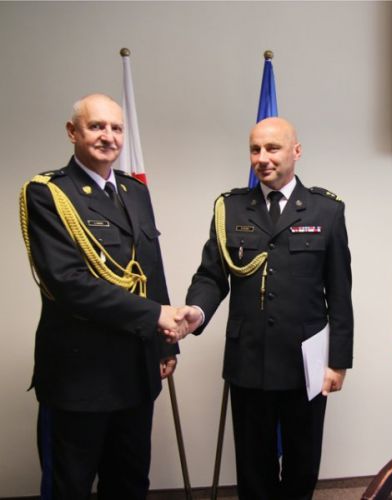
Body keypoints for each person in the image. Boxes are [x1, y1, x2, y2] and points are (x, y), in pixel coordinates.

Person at [169, 117, 353, 500]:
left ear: (296, 151)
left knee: (303, 463)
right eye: (255, 149)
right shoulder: (231, 208)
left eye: (272, 148)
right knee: (253, 467)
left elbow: (339, 292)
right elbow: (212, 276)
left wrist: (338, 362)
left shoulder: (326, 211)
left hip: (306, 360)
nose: (262, 158)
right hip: (249, 357)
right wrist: (197, 311)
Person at [19, 93, 184, 499]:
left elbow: (149, 267)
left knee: (129, 483)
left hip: (135, 368)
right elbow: (67, 283)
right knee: (70, 487)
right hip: (80, 375)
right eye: (96, 126)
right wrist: (154, 315)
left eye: (116, 128)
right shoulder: (49, 194)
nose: (108, 136)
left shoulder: (134, 190)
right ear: (72, 132)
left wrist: (165, 345)